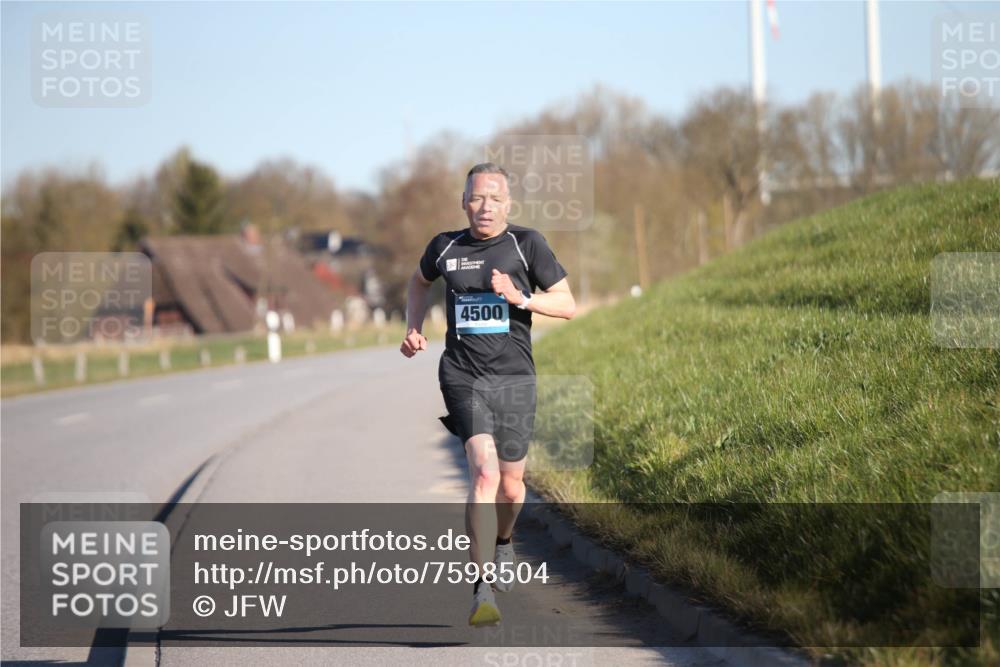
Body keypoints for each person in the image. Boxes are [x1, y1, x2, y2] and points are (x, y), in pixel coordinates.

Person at [400, 162, 575, 626]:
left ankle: (503, 543)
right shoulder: (445, 247)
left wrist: (522, 298)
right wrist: (413, 327)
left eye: (495, 198)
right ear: (463, 201)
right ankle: (481, 588)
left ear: (508, 204)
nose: (485, 206)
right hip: (462, 375)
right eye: (477, 197)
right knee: (483, 474)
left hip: (515, 378)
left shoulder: (527, 243)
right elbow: (418, 283)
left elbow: (568, 303)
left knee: (513, 487)